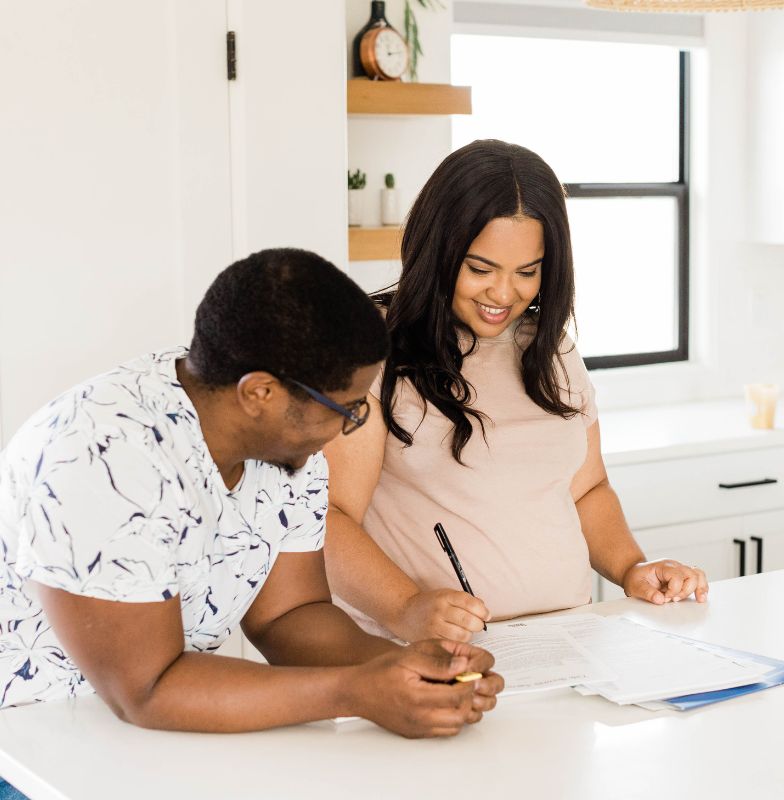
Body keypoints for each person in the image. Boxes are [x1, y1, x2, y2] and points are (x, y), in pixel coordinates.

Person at [0, 248, 503, 756]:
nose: (354, 425)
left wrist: (417, 668)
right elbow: (145, 692)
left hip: (148, 736)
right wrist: (357, 690)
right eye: (347, 408)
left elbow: (288, 616)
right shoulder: (100, 455)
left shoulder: (287, 450)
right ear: (260, 394)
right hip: (29, 747)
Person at [324, 140, 710, 644]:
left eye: (527, 272)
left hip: (569, 645)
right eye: (480, 269)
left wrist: (632, 568)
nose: (504, 294)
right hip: (430, 655)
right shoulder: (372, 351)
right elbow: (328, 520)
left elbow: (587, 489)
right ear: (436, 250)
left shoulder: (552, 349)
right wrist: (406, 608)